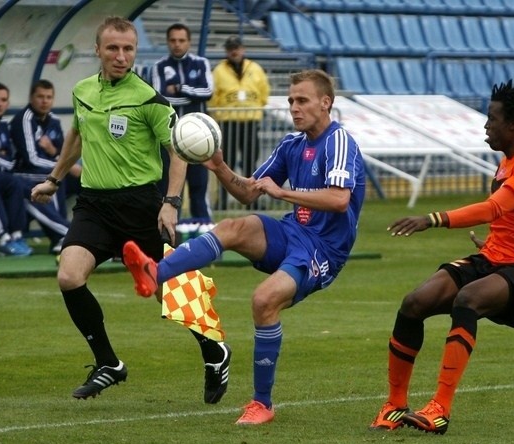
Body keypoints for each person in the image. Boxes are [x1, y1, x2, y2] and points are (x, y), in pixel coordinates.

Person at [123, 69, 366, 425]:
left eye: (302, 101)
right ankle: (154, 273)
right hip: (293, 233)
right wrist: (219, 167)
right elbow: (249, 192)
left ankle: (262, 404)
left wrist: (282, 192)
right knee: (235, 226)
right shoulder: (291, 144)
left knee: (263, 301)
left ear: (325, 102)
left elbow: (339, 199)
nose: (294, 108)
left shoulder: (339, 141)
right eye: (290, 102)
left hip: (323, 251)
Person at [30, 16, 232, 404]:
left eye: (128, 49)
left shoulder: (149, 99)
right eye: (113, 49)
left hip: (141, 206)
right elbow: (77, 134)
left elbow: (178, 150)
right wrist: (54, 179)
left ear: (136, 52)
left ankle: (213, 352)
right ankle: (108, 363)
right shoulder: (83, 91)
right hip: (93, 204)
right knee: (69, 276)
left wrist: (171, 203)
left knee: (168, 295)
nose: (121, 57)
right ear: (98, 50)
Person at [369, 81, 514, 434]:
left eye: (492, 119)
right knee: (414, 302)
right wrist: (492, 242)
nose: (486, 126)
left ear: (513, 124)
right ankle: (395, 404)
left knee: (467, 299)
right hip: (493, 258)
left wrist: (432, 219)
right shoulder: (508, 162)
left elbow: (493, 208)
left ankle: (439, 409)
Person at [151, 23, 215, 234]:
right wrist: (190, 94)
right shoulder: (158, 66)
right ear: (168, 42)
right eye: (173, 40)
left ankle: (205, 237)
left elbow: (208, 91)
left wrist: (181, 88)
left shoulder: (201, 63)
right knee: (166, 190)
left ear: (189, 42)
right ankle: (164, 237)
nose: (177, 44)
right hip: (169, 139)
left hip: (197, 139)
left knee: (198, 189)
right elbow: (160, 98)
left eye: (181, 40)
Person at [9, 79, 71, 254]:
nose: (45, 101)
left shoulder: (54, 120)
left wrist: (56, 157)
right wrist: (60, 165)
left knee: (63, 177)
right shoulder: (24, 119)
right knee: (53, 177)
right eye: (40, 97)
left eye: (49, 97)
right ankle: (64, 233)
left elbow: (62, 151)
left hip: (45, 169)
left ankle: (61, 236)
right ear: (31, 98)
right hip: (23, 172)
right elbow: (31, 158)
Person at [208, 35, 270, 209]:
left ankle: (253, 201)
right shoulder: (219, 71)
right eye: (231, 48)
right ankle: (222, 201)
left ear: (243, 49)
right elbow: (213, 97)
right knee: (225, 163)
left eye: (237, 47)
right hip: (228, 123)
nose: (234, 51)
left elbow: (264, 93)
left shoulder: (255, 68)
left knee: (251, 162)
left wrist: (255, 108)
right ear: (227, 51)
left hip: (250, 122)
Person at [0, 82, 33, 256]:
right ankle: (3, 239)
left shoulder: (4, 126)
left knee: (16, 183)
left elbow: (10, 161)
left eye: (3, 100)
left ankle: (16, 235)